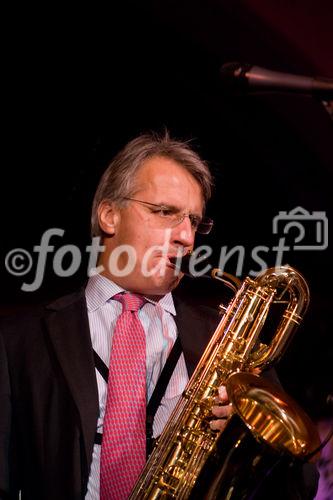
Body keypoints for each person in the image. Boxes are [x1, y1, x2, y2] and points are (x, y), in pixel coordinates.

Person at [0, 132, 318, 500]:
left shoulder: (230, 338)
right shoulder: (19, 340)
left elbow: (302, 483)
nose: (186, 236)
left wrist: (246, 447)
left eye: (194, 222)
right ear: (109, 215)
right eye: (165, 212)